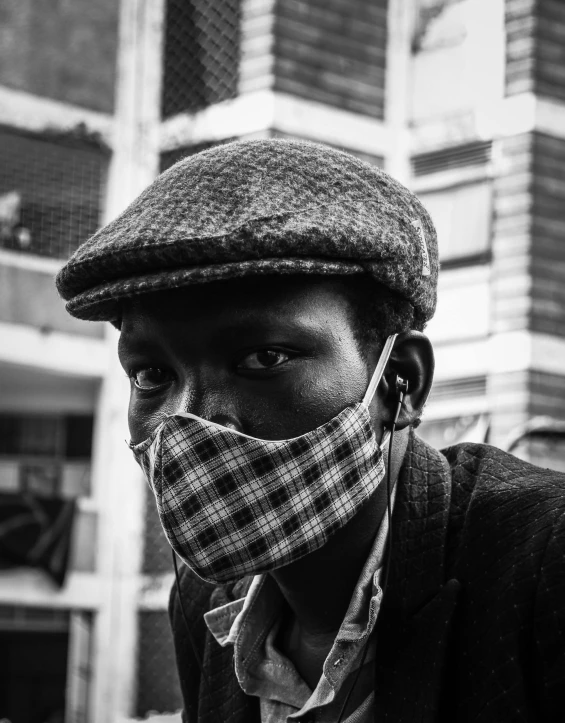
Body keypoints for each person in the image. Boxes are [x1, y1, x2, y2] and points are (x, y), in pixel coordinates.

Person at [57, 140, 565, 722]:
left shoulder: (544, 562)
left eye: (265, 358)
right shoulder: (206, 604)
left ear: (399, 382)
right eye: (150, 374)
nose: (191, 421)